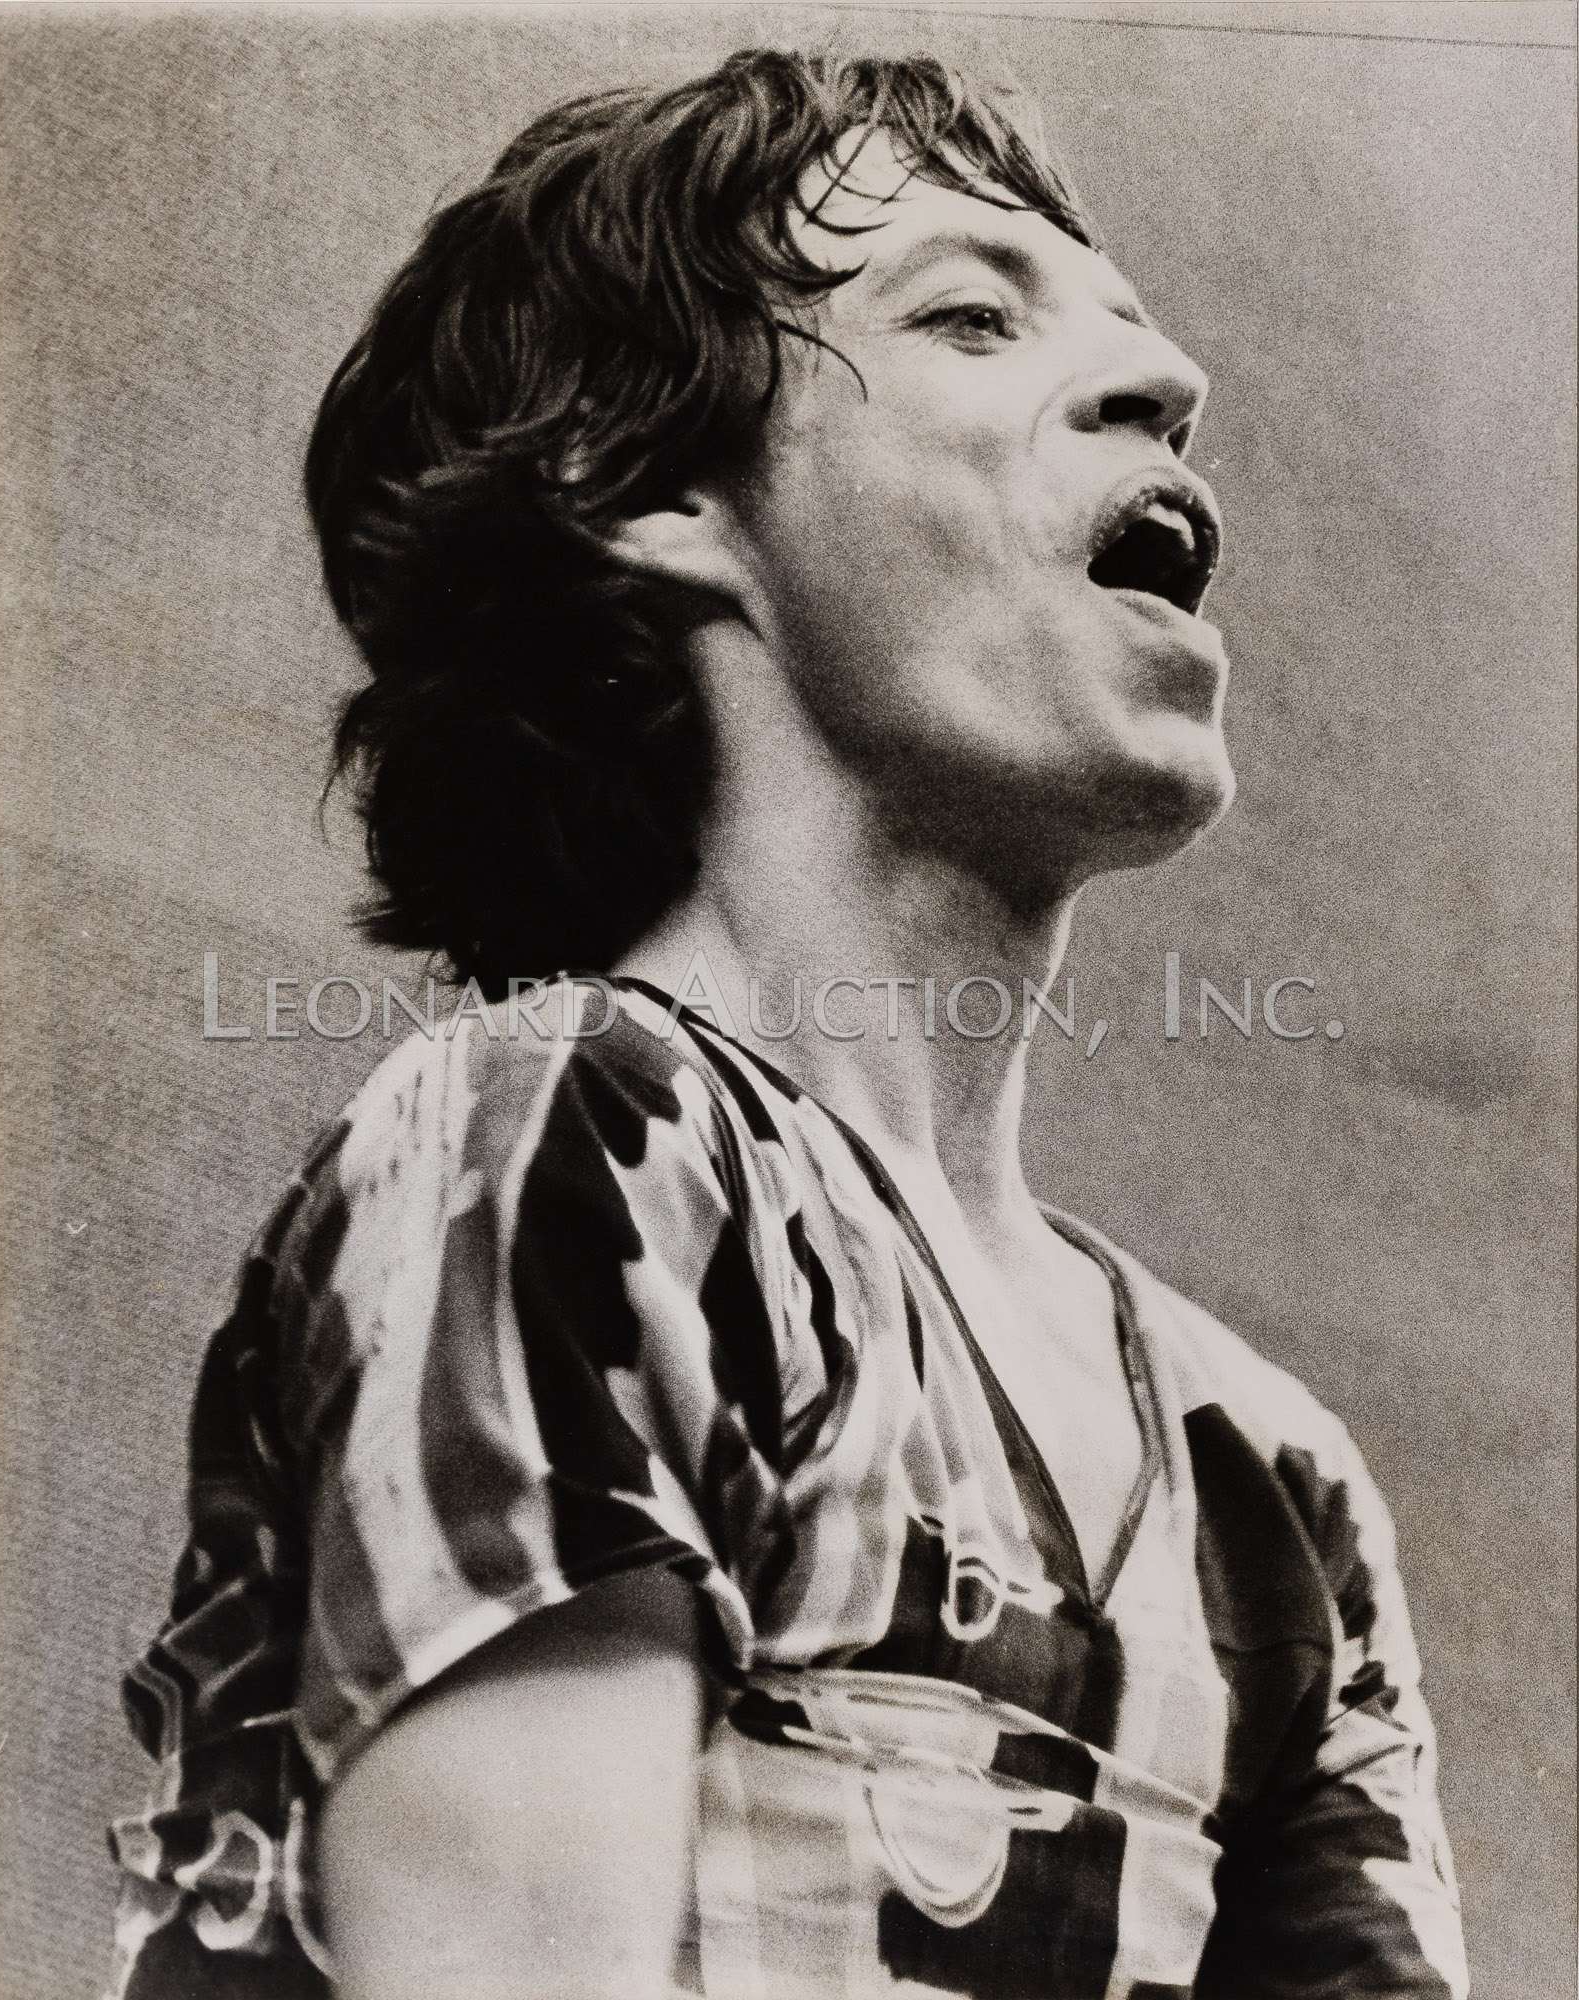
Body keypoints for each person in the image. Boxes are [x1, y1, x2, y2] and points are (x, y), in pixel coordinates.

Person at [108, 49, 1469, 2000]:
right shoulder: (582, 1144)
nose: (1166, 382)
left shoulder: (1273, 1475)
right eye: (972, 314)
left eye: (1132, 330)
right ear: (658, 491)